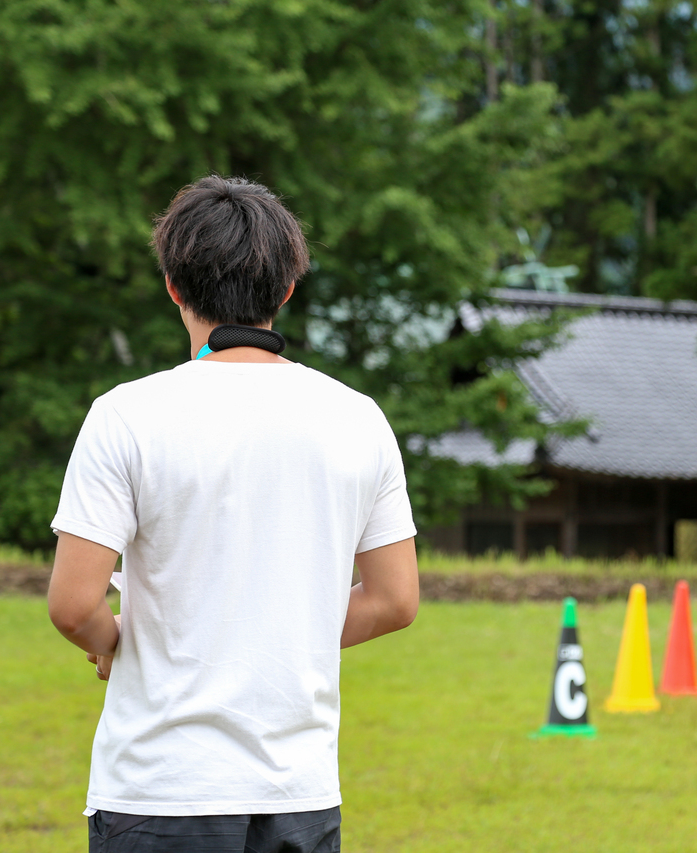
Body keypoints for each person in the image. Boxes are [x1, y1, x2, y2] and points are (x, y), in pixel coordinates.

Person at [47, 175, 419, 853]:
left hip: (159, 792)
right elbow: (395, 599)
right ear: (285, 289)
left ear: (172, 285)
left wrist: (117, 642)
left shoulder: (126, 415)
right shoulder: (358, 418)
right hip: (300, 796)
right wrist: (280, 633)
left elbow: (74, 604)